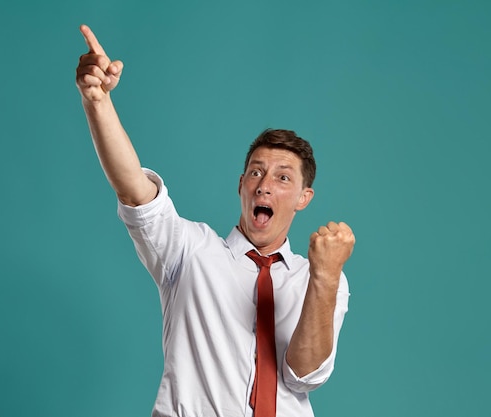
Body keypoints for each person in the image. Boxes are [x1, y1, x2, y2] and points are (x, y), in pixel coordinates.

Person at [75, 24, 355, 417]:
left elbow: (303, 374)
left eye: (283, 177)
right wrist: (97, 101)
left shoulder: (323, 278)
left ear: (304, 198)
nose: (265, 187)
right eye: (256, 173)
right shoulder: (189, 252)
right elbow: (133, 188)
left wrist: (325, 277)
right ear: (241, 185)